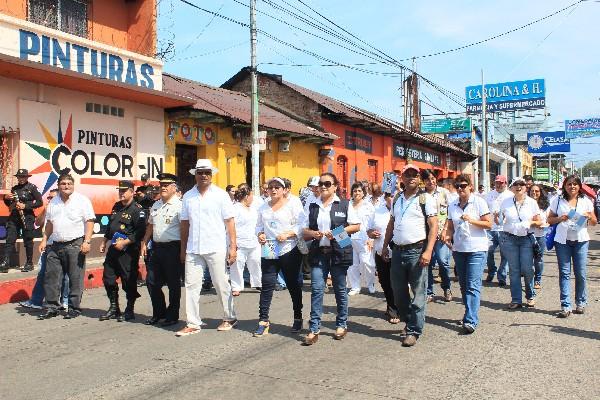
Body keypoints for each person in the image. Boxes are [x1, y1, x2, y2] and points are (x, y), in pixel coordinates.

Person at [177, 159, 237, 336]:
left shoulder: (220, 195)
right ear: (195, 174)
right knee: (191, 286)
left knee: (220, 283)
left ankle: (230, 316)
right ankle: (193, 322)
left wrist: (233, 247)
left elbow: (230, 222)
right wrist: (183, 248)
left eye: (207, 172)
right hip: (193, 248)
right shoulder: (188, 196)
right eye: (200, 172)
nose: (204, 175)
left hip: (216, 246)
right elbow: (185, 225)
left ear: (212, 175)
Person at [382, 164, 438, 347]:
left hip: (417, 251)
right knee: (398, 293)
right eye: (408, 174)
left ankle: (414, 329)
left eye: (415, 175)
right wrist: (384, 246)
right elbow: (391, 223)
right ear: (402, 178)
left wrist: (428, 251)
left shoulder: (425, 198)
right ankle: (408, 320)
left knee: (418, 293)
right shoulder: (397, 198)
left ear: (419, 178)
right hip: (398, 251)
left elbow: (434, 226)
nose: (411, 177)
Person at [302, 173, 360, 345]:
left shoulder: (344, 203)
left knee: (340, 289)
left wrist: (336, 234)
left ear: (335, 186)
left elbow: (356, 226)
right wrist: (313, 233)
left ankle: (341, 324)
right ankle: (314, 329)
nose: (323, 186)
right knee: (317, 289)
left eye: (328, 183)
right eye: (321, 183)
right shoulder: (311, 204)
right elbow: (303, 229)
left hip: (338, 251)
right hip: (319, 251)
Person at [37, 174, 95, 319]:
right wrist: (44, 239)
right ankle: (52, 307)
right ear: (58, 186)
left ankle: (74, 307)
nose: (66, 186)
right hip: (55, 245)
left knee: (75, 278)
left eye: (69, 183)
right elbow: (49, 223)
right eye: (63, 183)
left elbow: (89, 221)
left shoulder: (82, 200)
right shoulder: (53, 202)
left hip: (75, 244)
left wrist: (87, 241)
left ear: (73, 185)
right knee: (51, 277)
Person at [253, 177, 304, 336]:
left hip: (289, 248)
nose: (273, 190)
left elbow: (302, 225)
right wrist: (260, 234)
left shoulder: (293, 205)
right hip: (269, 248)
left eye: (277, 187)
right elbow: (258, 226)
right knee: (267, 285)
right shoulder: (262, 207)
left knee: (292, 284)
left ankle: (298, 317)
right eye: (271, 187)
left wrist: (288, 233)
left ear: (284, 190)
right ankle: (263, 320)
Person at [442, 175, 491, 334]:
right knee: (463, 285)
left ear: (470, 186)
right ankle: (468, 312)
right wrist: (447, 235)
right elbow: (450, 226)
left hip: (477, 248)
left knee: (472, 285)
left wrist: (471, 220)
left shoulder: (479, 202)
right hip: (459, 249)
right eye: (457, 186)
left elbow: (489, 224)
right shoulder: (453, 205)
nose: (460, 189)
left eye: (463, 185)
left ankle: (471, 320)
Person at [547, 175, 597, 318]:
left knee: (580, 273)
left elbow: (594, 222)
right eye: (569, 184)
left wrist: (588, 216)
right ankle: (565, 305)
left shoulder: (586, 201)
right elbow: (549, 219)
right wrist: (560, 218)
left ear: (579, 186)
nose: (572, 186)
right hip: (562, 241)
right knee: (564, 273)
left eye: (575, 184)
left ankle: (581, 302)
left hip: (581, 241)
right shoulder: (557, 200)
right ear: (564, 186)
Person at [99, 180, 146, 322]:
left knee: (128, 281)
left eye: (124, 191)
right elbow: (111, 227)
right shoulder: (116, 206)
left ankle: (129, 308)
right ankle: (114, 308)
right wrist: (104, 241)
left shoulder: (138, 209)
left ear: (132, 192)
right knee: (108, 278)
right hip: (113, 249)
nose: (121, 193)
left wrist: (125, 242)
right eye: (119, 190)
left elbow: (141, 231)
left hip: (128, 252)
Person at [140, 173, 183, 327]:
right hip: (157, 248)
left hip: (173, 248)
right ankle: (159, 313)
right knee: (151, 281)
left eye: (166, 185)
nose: (163, 187)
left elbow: (185, 230)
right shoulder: (156, 205)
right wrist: (144, 241)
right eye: (161, 185)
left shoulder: (180, 206)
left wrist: (183, 251)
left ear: (174, 188)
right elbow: (151, 225)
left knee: (173, 283)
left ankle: (172, 315)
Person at [19, 189, 70, 310]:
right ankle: (36, 301)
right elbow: (37, 223)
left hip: (62, 246)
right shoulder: (48, 210)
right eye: (48, 197)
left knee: (65, 276)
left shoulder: (63, 210)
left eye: (52, 197)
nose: (49, 200)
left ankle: (65, 301)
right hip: (47, 247)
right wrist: (44, 211)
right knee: (42, 274)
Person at [500, 177, 541, 309]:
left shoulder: (531, 202)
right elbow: (499, 220)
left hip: (526, 239)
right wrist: (498, 219)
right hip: (510, 238)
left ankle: (530, 295)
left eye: (522, 184)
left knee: (528, 269)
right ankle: (516, 299)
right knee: (514, 270)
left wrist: (530, 223)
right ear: (511, 188)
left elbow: (539, 222)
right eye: (516, 184)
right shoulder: (505, 202)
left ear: (526, 187)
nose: (519, 187)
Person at [1, 169, 43, 272]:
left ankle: (29, 263)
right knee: (10, 240)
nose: (21, 178)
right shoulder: (14, 188)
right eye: (19, 177)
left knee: (28, 240)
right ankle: (5, 263)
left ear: (27, 177)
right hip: (14, 217)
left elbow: (39, 202)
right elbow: (9, 205)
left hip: (27, 217)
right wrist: (6, 198)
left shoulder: (32, 188)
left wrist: (26, 205)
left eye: (23, 177)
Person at [367, 192, 399, 324]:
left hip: (397, 252)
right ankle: (391, 306)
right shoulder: (377, 211)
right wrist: (371, 234)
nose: (392, 198)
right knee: (385, 281)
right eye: (389, 196)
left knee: (396, 283)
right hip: (380, 251)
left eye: (394, 196)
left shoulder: (401, 210)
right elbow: (368, 229)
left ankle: (396, 308)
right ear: (385, 198)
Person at [421, 169, 452, 303]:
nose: (431, 181)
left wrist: (446, 230)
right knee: (426, 263)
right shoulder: (421, 195)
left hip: (440, 234)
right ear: (423, 181)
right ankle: (429, 292)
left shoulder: (444, 193)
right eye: (427, 179)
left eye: (432, 178)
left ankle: (446, 287)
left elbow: (450, 213)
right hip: (425, 234)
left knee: (443, 262)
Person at [230, 183, 262, 296]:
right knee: (237, 265)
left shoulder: (254, 209)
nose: (253, 198)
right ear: (247, 196)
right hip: (239, 242)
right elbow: (230, 226)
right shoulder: (235, 208)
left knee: (256, 262)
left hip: (254, 242)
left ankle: (258, 283)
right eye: (252, 196)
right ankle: (236, 286)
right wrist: (231, 244)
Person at [347, 182, 376, 296]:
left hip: (364, 238)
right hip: (348, 238)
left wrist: (371, 239)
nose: (357, 193)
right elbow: (341, 222)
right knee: (351, 264)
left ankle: (370, 284)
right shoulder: (347, 204)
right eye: (355, 191)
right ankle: (355, 286)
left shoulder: (368, 206)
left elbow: (373, 224)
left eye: (359, 191)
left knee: (368, 263)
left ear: (363, 192)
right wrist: (341, 240)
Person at [484, 175, 513, 286]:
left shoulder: (510, 195)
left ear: (505, 183)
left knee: (504, 254)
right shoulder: (489, 195)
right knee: (488, 251)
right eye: (497, 183)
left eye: (501, 183)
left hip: (504, 229)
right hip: (490, 228)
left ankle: (502, 276)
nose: (499, 185)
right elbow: (485, 209)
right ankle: (491, 271)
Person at [529, 184, 549, 290]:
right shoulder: (525, 204)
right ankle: (529, 279)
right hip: (527, 236)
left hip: (540, 236)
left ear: (540, 193)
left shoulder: (545, 206)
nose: (534, 193)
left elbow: (549, 221)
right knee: (527, 260)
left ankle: (537, 279)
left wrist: (544, 225)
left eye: (537, 191)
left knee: (538, 259)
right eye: (532, 191)